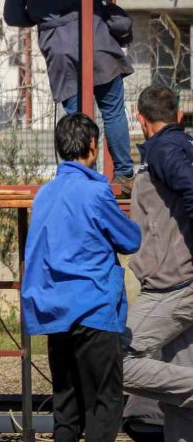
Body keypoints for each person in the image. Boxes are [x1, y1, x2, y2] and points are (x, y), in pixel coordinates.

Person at [21, 112, 141, 442]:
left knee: (67, 408)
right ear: (92, 145)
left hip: (54, 312)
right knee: (104, 403)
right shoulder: (95, 193)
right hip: (93, 310)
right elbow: (129, 240)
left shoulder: (44, 195)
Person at [3, 0, 135, 192]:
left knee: (77, 119)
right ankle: (124, 175)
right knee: (112, 110)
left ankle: (83, 181)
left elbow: (12, 15)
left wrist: (42, 18)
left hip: (58, 48)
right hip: (96, 36)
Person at [124, 85, 193, 441]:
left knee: (115, 360)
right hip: (179, 282)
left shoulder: (165, 148)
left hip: (174, 286)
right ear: (178, 117)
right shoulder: (181, 146)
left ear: (139, 120)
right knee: (182, 389)